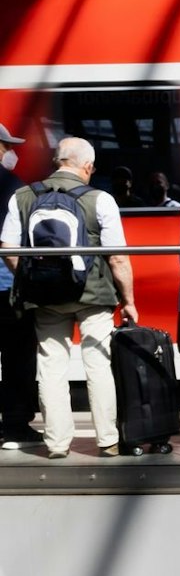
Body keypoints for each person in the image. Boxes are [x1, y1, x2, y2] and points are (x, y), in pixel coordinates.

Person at [0, 136, 138, 459]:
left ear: (57, 162)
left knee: (51, 365)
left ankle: (57, 443)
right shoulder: (100, 199)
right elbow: (118, 258)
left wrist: (31, 277)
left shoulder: (23, 196)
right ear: (87, 166)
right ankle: (107, 439)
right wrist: (128, 300)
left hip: (46, 296)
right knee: (97, 364)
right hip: (93, 294)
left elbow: (7, 248)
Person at [0, 122, 40, 449]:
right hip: (6, 285)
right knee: (17, 355)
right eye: (7, 146)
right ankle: (15, 425)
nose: (12, 152)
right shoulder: (14, 187)